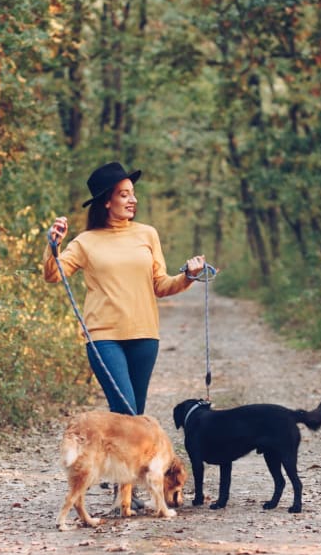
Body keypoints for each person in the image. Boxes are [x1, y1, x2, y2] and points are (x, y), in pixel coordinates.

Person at [43, 160, 206, 420]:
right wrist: (53, 246)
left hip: (145, 335)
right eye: (124, 194)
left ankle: (124, 461)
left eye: (132, 193)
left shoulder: (147, 234)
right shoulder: (85, 242)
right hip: (104, 338)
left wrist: (187, 276)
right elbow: (53, 274)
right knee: (125, 410)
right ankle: (118, 459)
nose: (133, 200)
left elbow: (160, 285)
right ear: (107, 201)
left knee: (134, 416)